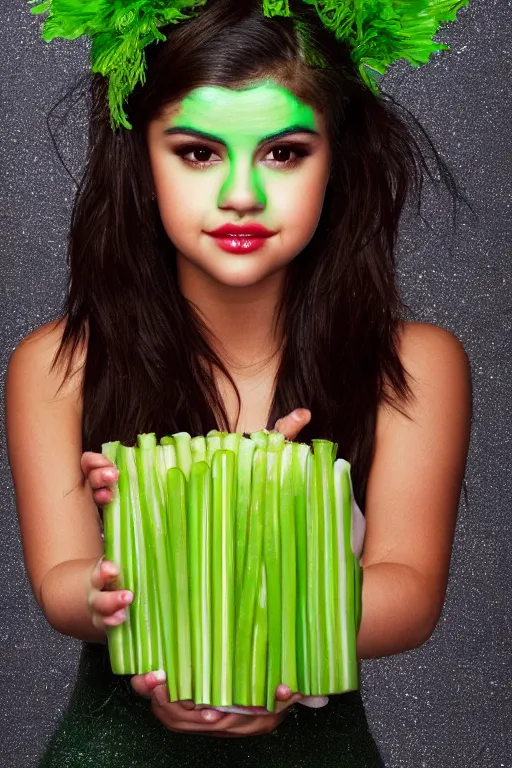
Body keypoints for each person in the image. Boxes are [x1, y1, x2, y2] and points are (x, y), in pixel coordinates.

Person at [6, 0, 471, 765]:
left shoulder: (416, 364)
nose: (242, 195)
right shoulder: (58, 364)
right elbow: (64, 585)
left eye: (284, 153)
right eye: (197, 153)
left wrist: (243, 517)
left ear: (338, 155)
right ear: (140, 156)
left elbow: (411, 597)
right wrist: (138, 567)